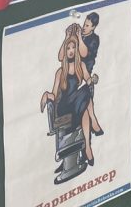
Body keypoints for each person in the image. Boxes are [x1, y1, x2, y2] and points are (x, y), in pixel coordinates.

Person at [41, 34, 101, 168]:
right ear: (65, 51)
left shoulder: (81, 66)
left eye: (73, 47)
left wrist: (93, 80)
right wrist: (47, 95)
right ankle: (93, 125)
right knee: (85, 96)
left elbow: (88, 80)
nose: (71, 50)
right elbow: (54, 94)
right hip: (64, 105)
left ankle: (87, 146)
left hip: (76, 102)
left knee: (85, 99)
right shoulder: (60, 72)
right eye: (68, 48)